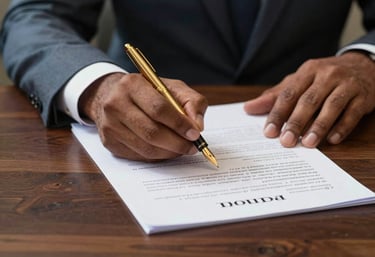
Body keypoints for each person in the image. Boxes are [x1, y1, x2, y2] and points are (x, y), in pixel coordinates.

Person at [1, 0, 375, 162]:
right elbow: (35, 17)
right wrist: (98, 89)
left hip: (322, 136)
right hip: (129, 140)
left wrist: (366, 60)